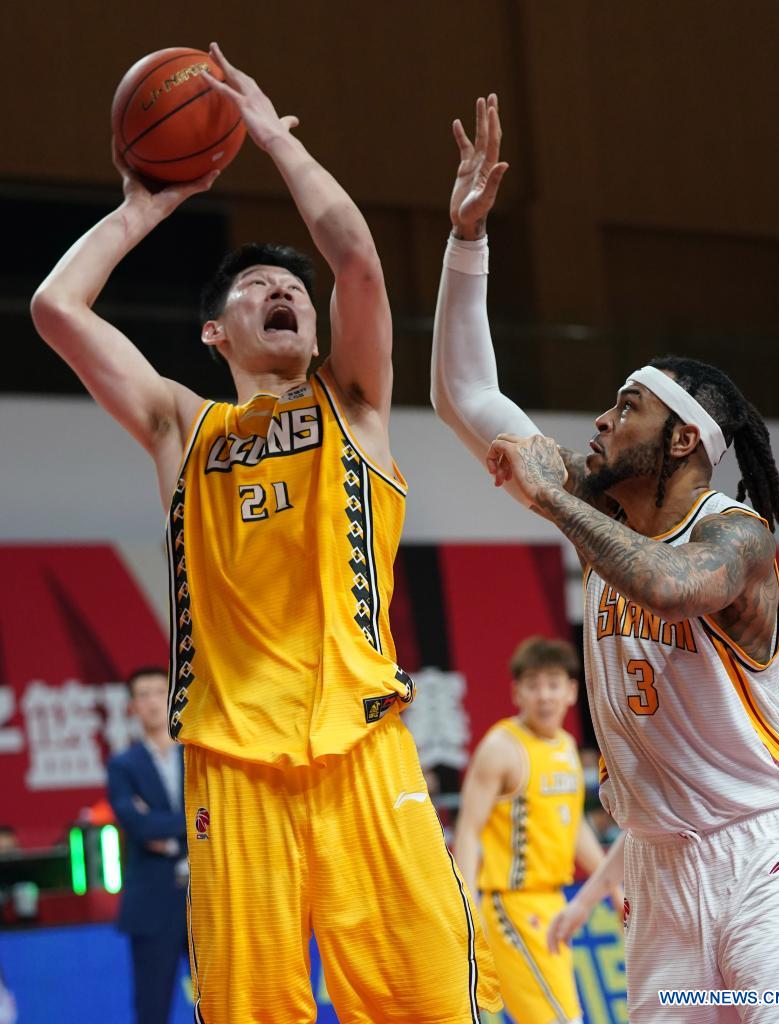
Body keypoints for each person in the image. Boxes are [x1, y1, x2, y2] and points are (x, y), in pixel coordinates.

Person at [32, 45, 500, 1023]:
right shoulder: (182, 425)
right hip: (232, 770)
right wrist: (144, 205)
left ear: (318, 330)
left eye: (290, 288)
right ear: (213, 335)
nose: (279, 289)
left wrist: (276, 138)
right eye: (251, 286)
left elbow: (357, 259)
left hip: (368, 754)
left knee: (431, 1004)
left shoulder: (353, 404)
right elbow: (55, 308)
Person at [432, 94, 779, 1023]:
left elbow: (663, 585)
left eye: (624, 408)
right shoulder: (597, 497)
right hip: (660, 869)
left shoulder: (735, 536)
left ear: (683, 440)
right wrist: (467, 241)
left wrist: (549, 493)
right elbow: (464, 392)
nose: (600, 422)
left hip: (767, 854)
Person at [454, 636, 620, 1024]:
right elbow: (467, 829)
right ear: (516, 692)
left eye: (553, 683)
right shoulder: (502, 748)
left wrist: (611, 884)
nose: (544, 695)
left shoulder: (565, 747)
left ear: (571, 691)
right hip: (510, 905)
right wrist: (467, 907)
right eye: (533, 684)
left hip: (554, 903)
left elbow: (571, 824)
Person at [107, 667, 188, 1024]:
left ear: (174, 696)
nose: (154, 702)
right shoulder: (123, 765)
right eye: (144, 695)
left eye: (160, 691)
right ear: (132, 707)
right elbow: (137, 825)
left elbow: (221, 814)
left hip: (209, 898)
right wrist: (194, 826)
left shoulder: (200, 754)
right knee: (151, 1010)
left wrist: (165, 829)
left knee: (228, 1004)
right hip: (152, 905)